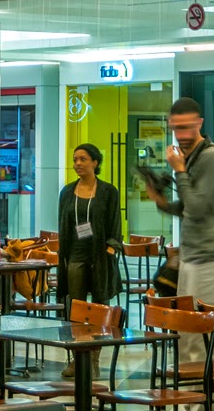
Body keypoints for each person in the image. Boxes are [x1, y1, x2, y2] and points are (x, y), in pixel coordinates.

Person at [145, 97, 214, 364]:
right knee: (188, 336)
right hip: (192, 257)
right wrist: (161, 202)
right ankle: (201, 387)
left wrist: (180, 170)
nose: (181, 135)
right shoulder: (191, 158)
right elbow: (187, 207)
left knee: (198, 339)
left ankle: (202, 389)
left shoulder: (211, 157)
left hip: (210, 259)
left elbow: (196, 209)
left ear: (200, 123)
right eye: (176, 128)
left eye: (186, 127)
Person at [57, 143, 122, 379]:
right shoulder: (67, 191)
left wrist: (110, 250)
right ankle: (78, 357)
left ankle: (94, 358)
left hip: (100, 255)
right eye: (75, 159)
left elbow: (115, 224)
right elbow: (63, 226)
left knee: (99, 308)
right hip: (75, 254)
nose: (78, 164)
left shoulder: (108, 191)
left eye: (83, 159)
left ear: (95, 162)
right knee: (76, 308)